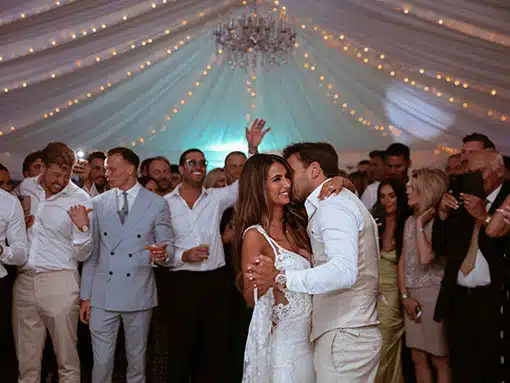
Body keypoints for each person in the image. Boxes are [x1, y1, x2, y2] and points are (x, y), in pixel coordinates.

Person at [249, 142, 382, 382]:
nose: (288, 182)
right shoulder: (332, 203)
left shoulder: (333, 206)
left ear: (314, 170)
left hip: (344, 332)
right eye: (280, 178)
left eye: (290, 173)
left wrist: (281, 277)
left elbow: (343, 271)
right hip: (338, 331)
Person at [234, 153, 344, 382]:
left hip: (314, 338)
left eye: (287, 177)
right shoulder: (255, 236)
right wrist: (267, 282)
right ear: (259, 186)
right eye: (277, 179)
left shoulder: (298, 223)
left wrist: (342, 182)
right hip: (284, 344)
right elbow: (248, 298)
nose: (286, 184)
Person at [80, 147, 173, 383]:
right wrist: (85, 296)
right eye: (105, 169)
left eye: (112, 168)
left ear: (130, 169)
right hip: (103, 294)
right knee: (100, 365)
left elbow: (167, 245)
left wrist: (162, 255)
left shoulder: (156, 203)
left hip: (138, 292)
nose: (107, 174)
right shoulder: (98, 203)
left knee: (136, 362)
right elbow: (93, 253)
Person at [13, 142, 93, 383]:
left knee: (66, 361)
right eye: (56, 174)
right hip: (24, 281)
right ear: (43, 168)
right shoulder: (26, 188)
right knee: (26, 363)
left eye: (66, 175)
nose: (61, 180)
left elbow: (84, 254)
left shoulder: (80, 198)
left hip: (60, 281)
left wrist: (82, 228)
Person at [433, 151, 509, 383]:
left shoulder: (507, 198)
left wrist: (483, 215)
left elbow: (500, 244)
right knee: (463, 367)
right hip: (458, 298)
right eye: (470, 173)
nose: (474, 178)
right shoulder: (461, 196)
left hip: (493, 299)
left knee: (492, 365)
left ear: (499, 171)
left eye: (479, 172)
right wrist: (443, 215)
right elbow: (441, 248)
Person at [398, 168, 450, 383]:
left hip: (434, 295)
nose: (407, 190)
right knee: (417, 356)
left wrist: (421, 224)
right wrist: (404, 297)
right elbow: (402, 261)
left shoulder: (441, 221)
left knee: (440, 359)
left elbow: (425, 258)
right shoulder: (409, 221)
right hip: (412, 295)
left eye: (412, 187)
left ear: (426, 190)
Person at [371, 180, 409, 383]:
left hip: (395, 291)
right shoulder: (377, 222)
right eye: (382, 196)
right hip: (374, 292)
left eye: (391, 196)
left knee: (386, 342)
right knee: (377, 344)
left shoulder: (406, 222)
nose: (386, 201)